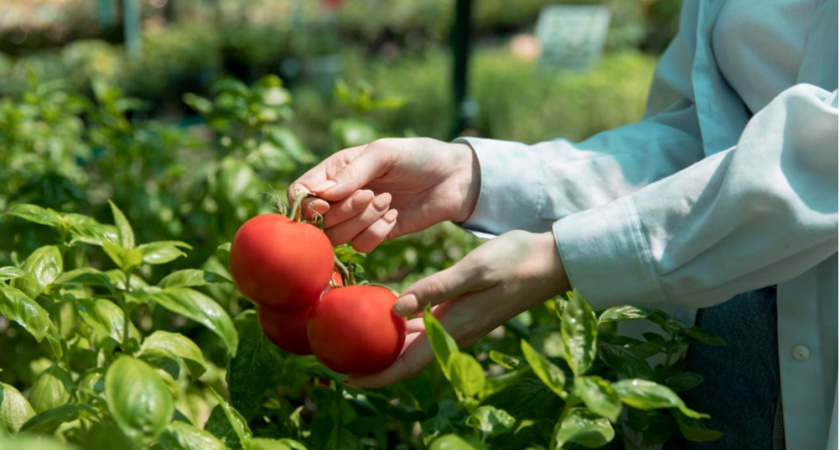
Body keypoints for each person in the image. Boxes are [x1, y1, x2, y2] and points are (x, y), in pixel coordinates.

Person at [289, 1, 838, 449]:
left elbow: (823, 157)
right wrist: (470, 176)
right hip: (720, 337)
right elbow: (706, 136)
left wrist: (564, 257)